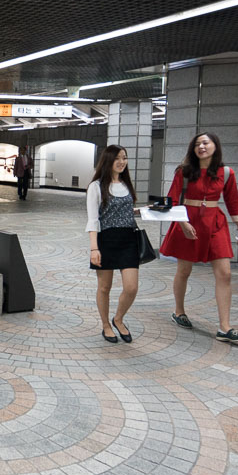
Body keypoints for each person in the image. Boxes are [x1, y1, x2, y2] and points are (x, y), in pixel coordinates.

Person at [159, 132, 238, 342]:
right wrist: (183, 224)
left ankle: (224, 327)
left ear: (215, 146)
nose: (202, 147)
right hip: (188, 221)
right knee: (184, 270)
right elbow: (172, 200)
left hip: (215, 224)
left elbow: (233, 201)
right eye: (198, 144)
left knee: (225, 273)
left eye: (206, 143)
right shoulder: (184, 172)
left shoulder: (226, 173)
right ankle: (179, 311)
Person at [86, 145, 142, 344]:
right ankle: (105, 325)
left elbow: (125, 209)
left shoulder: (126, 184)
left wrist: (142, 211)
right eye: (117, 158)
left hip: (128, 239)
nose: (121, 162)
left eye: (124, 158)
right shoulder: (96, 186)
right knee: (104, 287)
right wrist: (94, 248)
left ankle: (118, 318)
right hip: (105, 240)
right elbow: (93, 220)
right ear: (108, 160)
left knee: (132, 287)